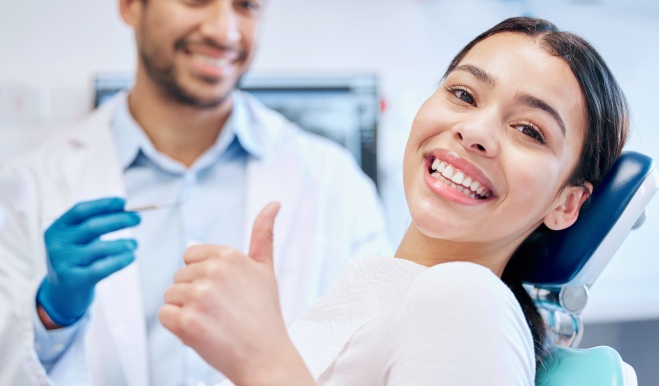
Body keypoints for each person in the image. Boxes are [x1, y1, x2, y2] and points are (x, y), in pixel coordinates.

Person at [159, 16, 629, 385]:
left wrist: (262, 361)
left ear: (567, 204)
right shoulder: (380, 290)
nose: (474, 130)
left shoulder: (467, 297)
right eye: (463, 94)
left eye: (529, 130)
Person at [0, 0, 392, 385]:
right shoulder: (30, 185)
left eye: (246, 5)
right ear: (131, 6)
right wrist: (49, 316)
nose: (224, 31)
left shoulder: (334, 182)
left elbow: (378, 360)